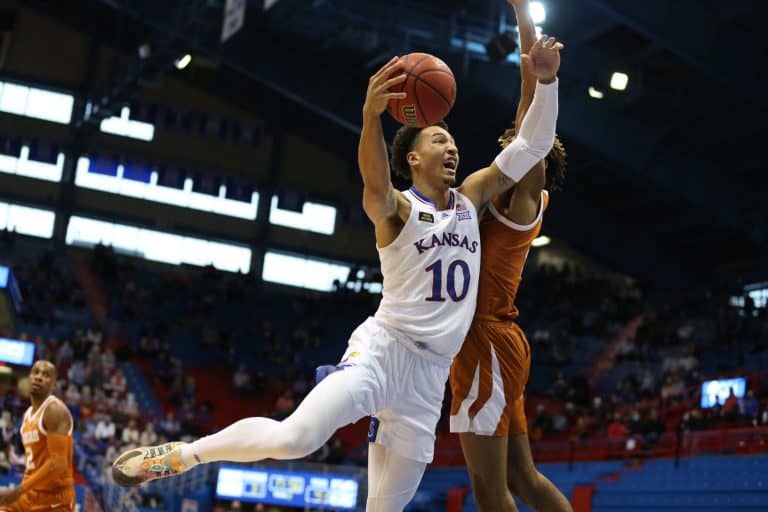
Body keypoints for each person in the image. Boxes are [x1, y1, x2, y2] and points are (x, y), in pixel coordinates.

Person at [112, 33, 563, 511]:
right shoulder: (396, 210)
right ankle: (182, 454)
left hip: (429, 379)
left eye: (452, 141)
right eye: (438, 139)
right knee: (295, 438)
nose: (451, 148)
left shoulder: (472, 197)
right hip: (383, 351)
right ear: (413, 159)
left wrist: (547, 79)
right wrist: (370, 117)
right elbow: (374, 179)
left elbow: (533, 144)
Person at [448, 2, 572, 511]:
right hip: (495, 340)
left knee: (489, 489)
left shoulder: (523, 198)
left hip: (487, 338)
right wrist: (523, 11)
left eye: (518, 139)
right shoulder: (508, 190)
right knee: (523, 479)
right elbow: (527, 88)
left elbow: (534, 130)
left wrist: (546, 85)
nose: (510, 139)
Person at [0, 360, 75, 511]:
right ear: (29, 378)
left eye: (46, 375)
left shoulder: (54, 410)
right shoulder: (27, 415)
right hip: (30, 495)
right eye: (36, 372)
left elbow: (58, 464)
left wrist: (19, 490)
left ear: (54, 384)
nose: (39, 377)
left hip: (55, 500)